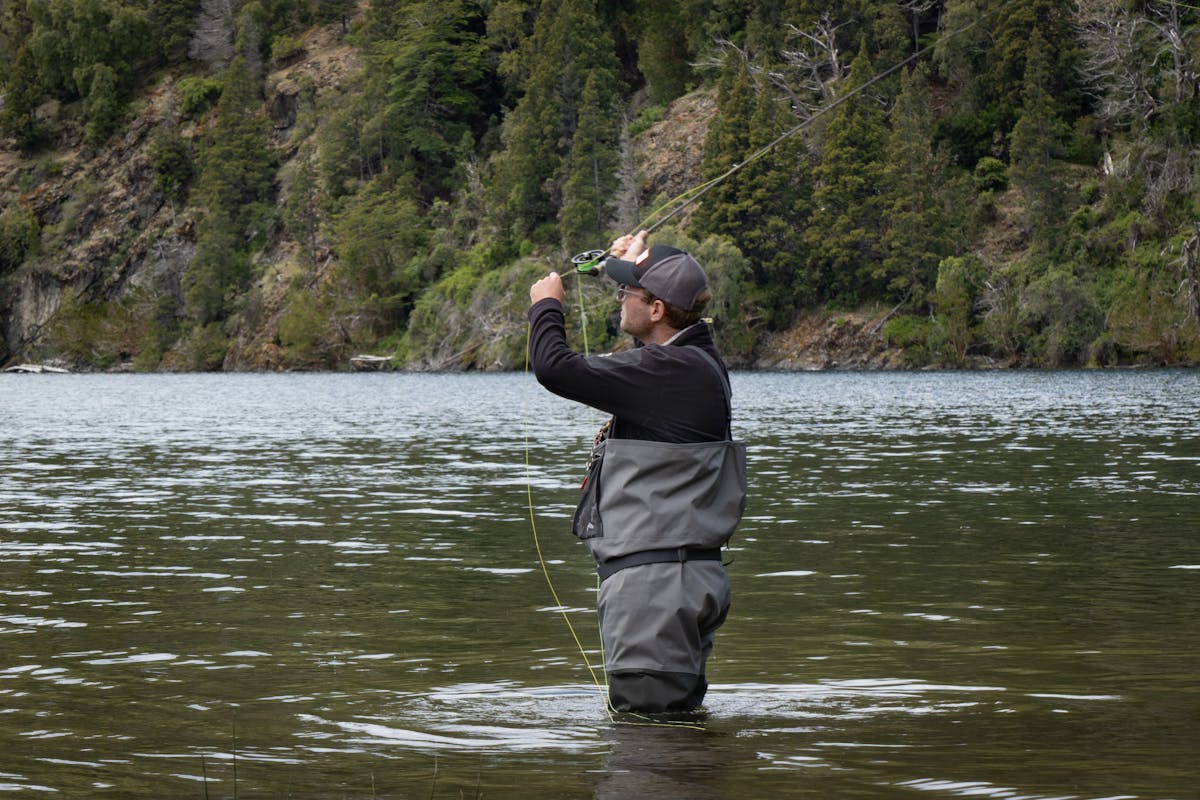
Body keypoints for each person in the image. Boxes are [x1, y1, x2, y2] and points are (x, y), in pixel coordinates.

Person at [528, 230, 747, 714]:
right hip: (683, 579)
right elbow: (638, 357)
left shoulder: (669, 372)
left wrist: (546, 307)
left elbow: (553, 367)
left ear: (658, 311)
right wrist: (626, 267)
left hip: (656, 589)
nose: (619, 297)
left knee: (648, 750)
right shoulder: (696, 362)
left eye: (628, 291)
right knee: (673, 731)